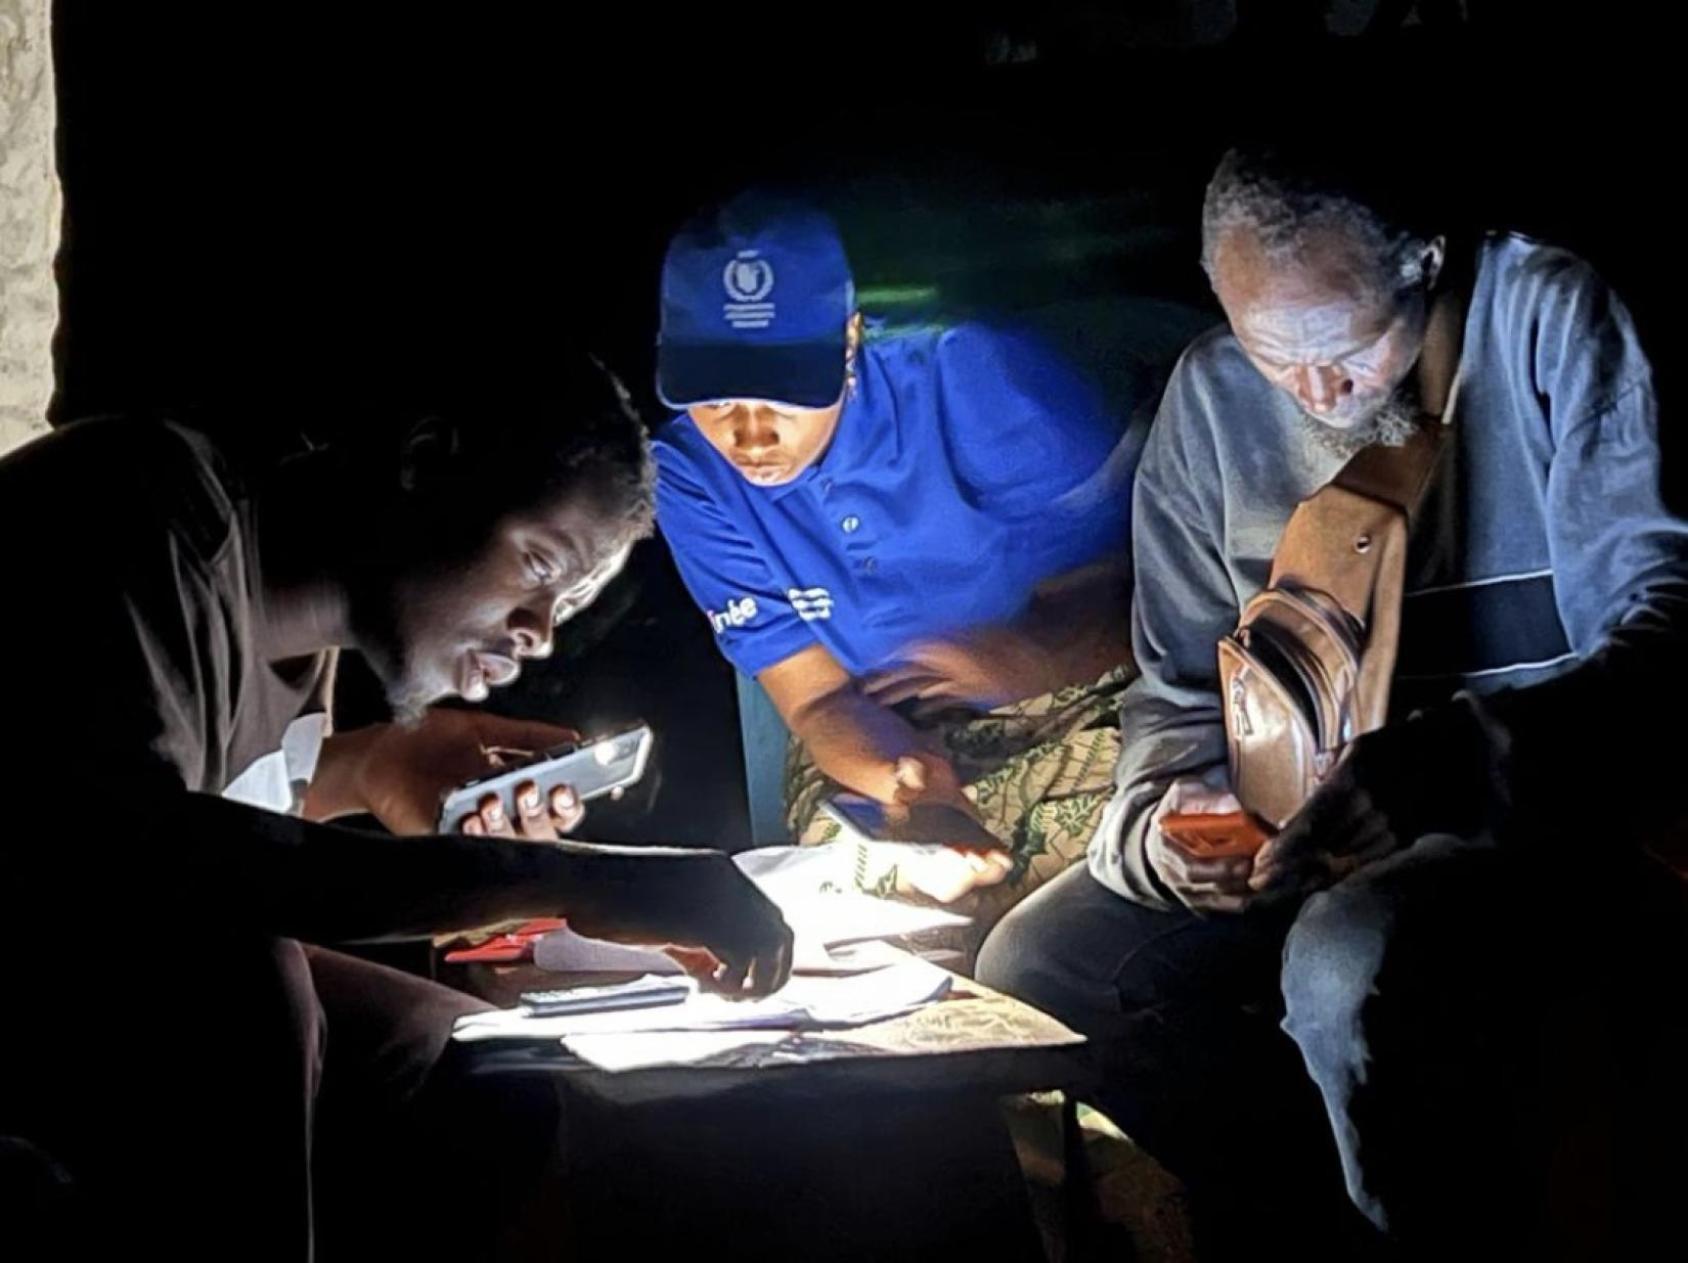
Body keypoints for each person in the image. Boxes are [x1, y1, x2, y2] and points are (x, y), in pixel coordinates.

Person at [977, 145, 1688, 1257]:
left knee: (1346, 949)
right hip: (1295, 837)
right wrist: (1166, 832)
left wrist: (1451, 762)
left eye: (1352, 348)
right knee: (1040, 964)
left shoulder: (1545, 317)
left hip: (1524, 824)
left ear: (1423, 264)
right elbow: (1170, 699)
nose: (1319, 393)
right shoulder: (1212, 401)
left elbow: (1661, 637)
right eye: (1275, 356)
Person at [0, 354, 793, 1260]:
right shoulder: (146, 511)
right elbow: (156, 859)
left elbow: (210, 801)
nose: (540, 632)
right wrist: (566, 878)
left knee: (470, 1053)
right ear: (423, 460)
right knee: (247, 983)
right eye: (538, 563)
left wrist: (376, 769)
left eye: (566, 605)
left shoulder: (304, 636)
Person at [652, 192, 1139, 928]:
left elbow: (1153, 599)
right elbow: (816, 699)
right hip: (884, 723)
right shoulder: (689, 473)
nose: (749, 435)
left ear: (850, 339)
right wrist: (906, 779)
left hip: (1076, 701)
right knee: (837, 867)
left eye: (784, 395)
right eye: (715, 399)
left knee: (1119, 825)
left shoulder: (972, 379)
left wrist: (1029, 650)